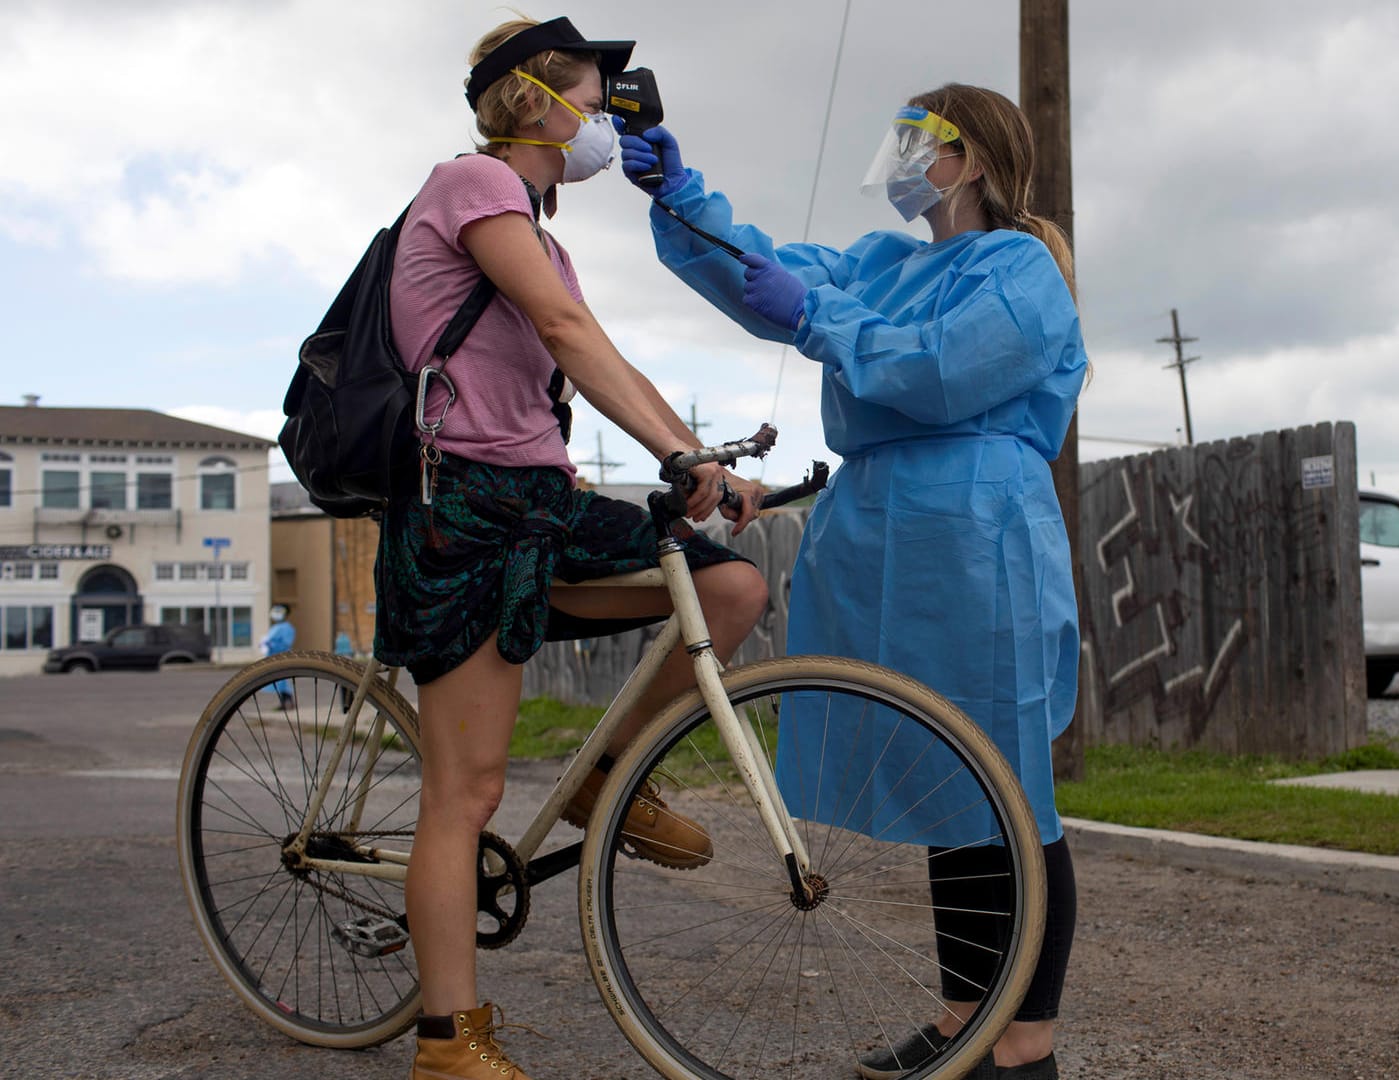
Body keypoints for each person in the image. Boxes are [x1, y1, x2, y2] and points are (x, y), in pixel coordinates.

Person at [625, 83, 1085, 1080]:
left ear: (971, 157)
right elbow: (765, 275)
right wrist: (679, 194)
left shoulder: (1022, 269)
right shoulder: (883, 264)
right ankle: (968, 1019)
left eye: (922, 137)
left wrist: (823, 318)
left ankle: (1027, 1048)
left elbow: (935, 371)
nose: (903, 154)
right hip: (884, 531)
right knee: (941, 779)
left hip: (977, 534)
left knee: (1007, 784)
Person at [377, 16, 768, 1080]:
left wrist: (701, 460)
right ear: (534, 97)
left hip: (542, 502)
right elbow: (562, 332)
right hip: (459, 507)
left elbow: (599, 355)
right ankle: (448, 1039)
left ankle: (604, 779)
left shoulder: (544, 236)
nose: (611, 112)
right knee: (468, 790)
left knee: (727, 588)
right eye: (599, 91)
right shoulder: (472, 183)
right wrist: (683, 453)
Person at [260, 604, 296, 709]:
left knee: (283, 682)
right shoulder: (275, 627)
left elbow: (286, 643)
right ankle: (285, 703)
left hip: (282, 658)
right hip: (274, 657)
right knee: (279, 682)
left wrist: (271, 645)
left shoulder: (287, 628)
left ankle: (287, 703)